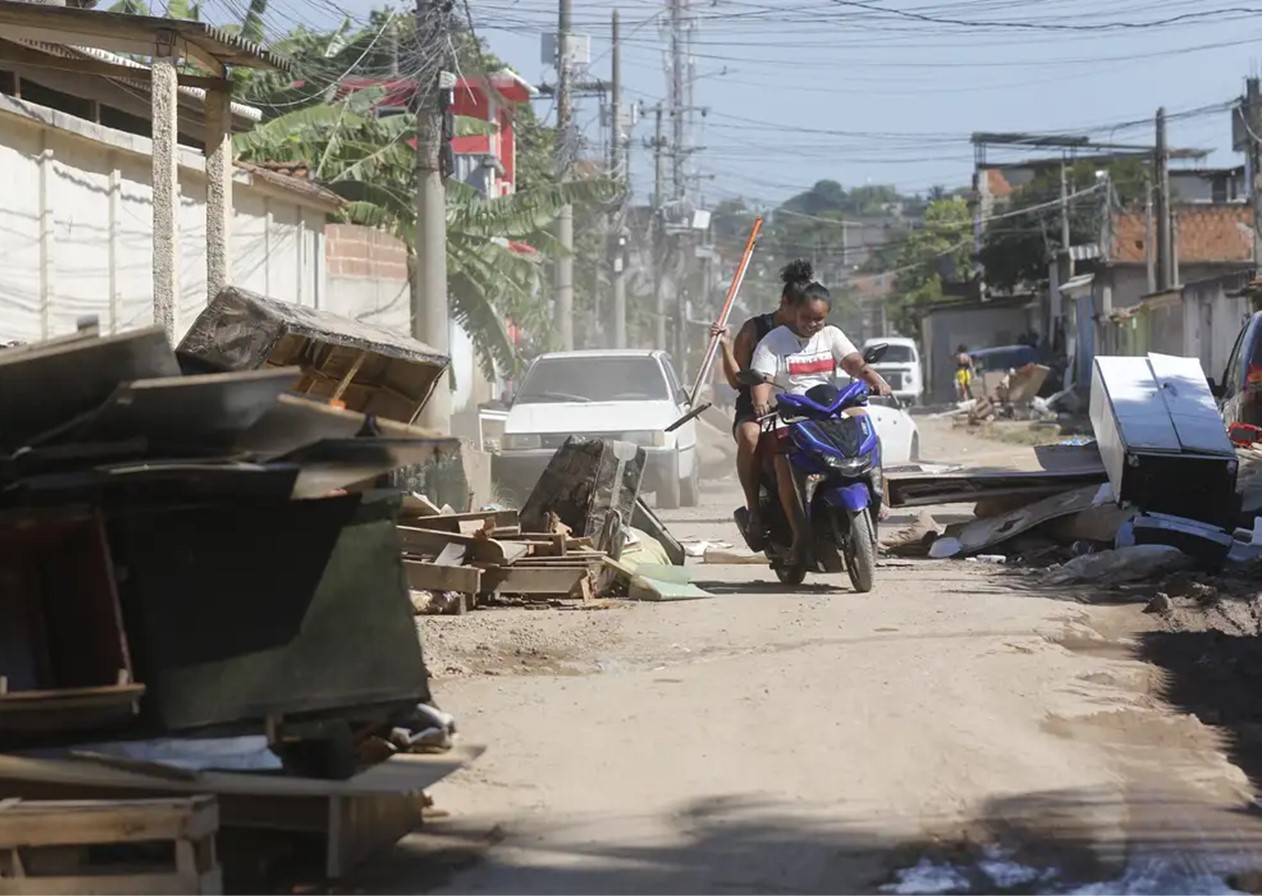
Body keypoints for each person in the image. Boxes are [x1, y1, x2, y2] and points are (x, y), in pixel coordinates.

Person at [749, 276, 891, 563]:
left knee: (867, 430)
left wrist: (875, 380)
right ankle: (800, 532)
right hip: (792, 413)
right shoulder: (773, 341)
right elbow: (762, 378)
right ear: (794, 311)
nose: (812, 324)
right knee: (782, 461)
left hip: (829, 407)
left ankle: (878, 493)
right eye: (806, 318)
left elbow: (853, 362)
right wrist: (761, 402)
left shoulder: (832, 336)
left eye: (819, 319)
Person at [711, 259, 814, 546]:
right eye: (799, 313)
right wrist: (725, 347)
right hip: (758, 408)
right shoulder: (756, 330)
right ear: (785, 303)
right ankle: (754, 511)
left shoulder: (816, 329)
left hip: (803, 405)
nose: (804, 323)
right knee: (751, 435)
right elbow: (736, 381)